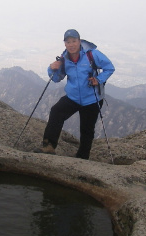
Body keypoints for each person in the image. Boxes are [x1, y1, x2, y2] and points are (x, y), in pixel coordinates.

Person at [34, 29, 115, 159]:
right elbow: (56, 78)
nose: (71, 44)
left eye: (74, 41)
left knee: (86, 129)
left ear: (79, 41)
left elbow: (109, 68)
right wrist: (52, 68)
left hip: (92, 99)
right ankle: (48, 147)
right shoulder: (64, 59)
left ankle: (82, 157)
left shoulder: (92, 54)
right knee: (56, 112)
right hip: (73, 97)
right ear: (65, 44)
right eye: (68, 42)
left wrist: (98, 80)